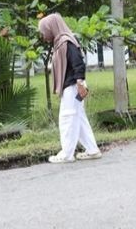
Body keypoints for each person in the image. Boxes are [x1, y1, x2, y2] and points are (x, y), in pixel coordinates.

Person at [37, 13, 102, 164]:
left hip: (73, 87)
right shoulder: (61, 42)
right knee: (78, 119)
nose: (43, 35)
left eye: (45, 30)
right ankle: (92, 150)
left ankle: (66, 154)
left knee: (67, 119)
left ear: (52, 28)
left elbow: (78, 63)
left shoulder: (66, 42)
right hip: (72, 86)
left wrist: (80, 82)